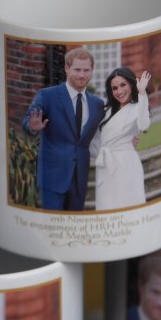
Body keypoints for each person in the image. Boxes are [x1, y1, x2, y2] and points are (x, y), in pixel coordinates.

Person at [22, 48, 105, 211]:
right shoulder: (47, 96)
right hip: (53, 178)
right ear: (67, 68)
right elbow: (28, 119)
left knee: (74, 228)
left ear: (92, 70)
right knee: (51, 228)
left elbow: (104, 131)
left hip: (79, 179)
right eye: (77, 70)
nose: (82, 75)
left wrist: (130, 138)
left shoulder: (97, 104)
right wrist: (32, 127)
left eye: (86, 70)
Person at [91, 67, 151, 210]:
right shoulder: (107, 112)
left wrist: (142, 93)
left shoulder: (138, 107)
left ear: (131, 84)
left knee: (128, 206)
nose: (119, 91)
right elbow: (96, 142)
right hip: (106, 166)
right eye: (114, 88)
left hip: (126, 165)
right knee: (106, 209)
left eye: (123, 85)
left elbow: (144, 125)